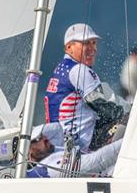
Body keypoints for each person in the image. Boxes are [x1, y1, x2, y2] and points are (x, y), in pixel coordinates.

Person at [44, 23, 131, 151]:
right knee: (133, 117)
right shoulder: (79, 70)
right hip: (82, 145)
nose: (93, 48)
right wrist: (128, 110)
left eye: (94, 43)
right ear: (69, 47)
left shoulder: (61, 69)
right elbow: (101, 106)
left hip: (62, 146)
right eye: (86, 43)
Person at [26, 124, 122, 178]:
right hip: (116, 176)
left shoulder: (48, 152)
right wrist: (127, 141)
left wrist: (24, 128)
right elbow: (98, 161)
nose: (46, 138)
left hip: (112, 168)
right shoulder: (50, 169)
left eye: (42, 134)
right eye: (38, 138)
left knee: (124, 124)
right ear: (28, 151)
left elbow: (57, 128)